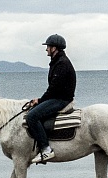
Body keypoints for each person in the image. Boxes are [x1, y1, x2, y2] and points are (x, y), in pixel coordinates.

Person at [25, 34, 76, 164]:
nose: (46, 49)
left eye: (48, 46)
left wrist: (40, 101)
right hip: (58, 97)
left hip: (61, 99)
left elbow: (54, 89)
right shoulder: (57, 62)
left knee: (31, 117)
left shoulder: (62, 64)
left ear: (54, 48)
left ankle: (46, 149)